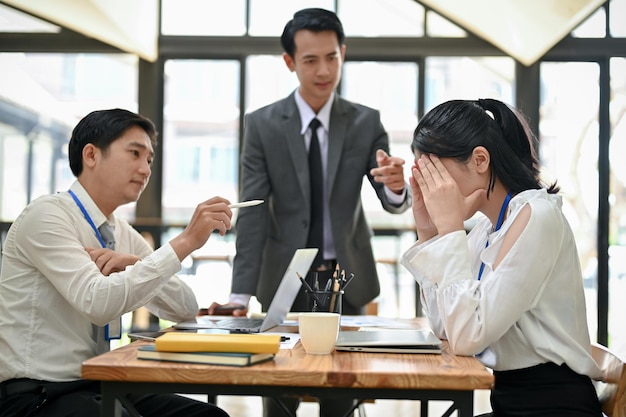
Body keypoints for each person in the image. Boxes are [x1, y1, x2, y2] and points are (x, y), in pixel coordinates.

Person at [207, 7, 410, 417]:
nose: (323, 70)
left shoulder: (365, 121)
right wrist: (238, 294)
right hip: (283, 281)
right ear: (289, 63)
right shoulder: (262, 125)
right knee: (279, 398)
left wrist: (396, 186)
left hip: (345, 282)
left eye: (331, 57)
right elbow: (254, 211)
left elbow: (389, 195)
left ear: (343, 54)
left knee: (342, 400)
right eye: (310, 60)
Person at [0, 108, 231, 417]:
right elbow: (98, 303)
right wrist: (185, 241)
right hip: (38, 393)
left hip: (96, 382)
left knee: (209, 416)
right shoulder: (47, 216)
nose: (145, 169)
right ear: (91, 155)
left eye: (149, 160)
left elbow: (185, 309)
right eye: (134, 153)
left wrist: (134, 262)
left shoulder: (118, 230)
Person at [401, 98, 603, 416]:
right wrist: (430, 234)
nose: (432, 189)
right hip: (512, 403)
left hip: (556, 406)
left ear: (480, 160)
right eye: (424, 177)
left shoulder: (538, 216)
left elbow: (467, 337)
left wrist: (451, 228)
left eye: (436, 174)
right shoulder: (488, 227)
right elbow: (446, 328)